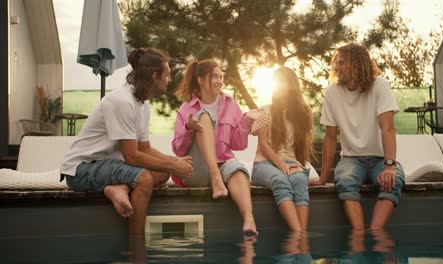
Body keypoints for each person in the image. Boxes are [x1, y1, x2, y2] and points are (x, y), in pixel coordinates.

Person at [60, 48, 193, 237]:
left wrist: (175, 163)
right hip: (81, 169)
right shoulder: (122, 101)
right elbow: (131, 156)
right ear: (155, 76)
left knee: (163, 173)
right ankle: (137, 250)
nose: (169, 80)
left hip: (108, 166)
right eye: (167, 74)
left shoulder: (142, 104)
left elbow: (144, 149)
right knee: (145, 178)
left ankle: (119, 187)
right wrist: (173, 164)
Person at [309, 43, 405, 230]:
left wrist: (390, 166)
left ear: (358, 64)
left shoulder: (380, 85)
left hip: (380, 159)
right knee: (344, 181)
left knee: (394, 181)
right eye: (335, 62)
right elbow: (330, 137)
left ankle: (375, 234)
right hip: (351, 159)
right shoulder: (332, 92)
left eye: (342, 62)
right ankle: (359, 235)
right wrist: (323, 176)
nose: (336, 67)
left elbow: (388, 128)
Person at [171, 59, 258, 235]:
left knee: (238, 169)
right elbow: (179, 151)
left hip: (223, 164)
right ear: (201, 80)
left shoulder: (229, 103)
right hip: (197, 169)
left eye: (221, 76)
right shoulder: (187, 108)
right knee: (204, 116)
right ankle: (216, 177)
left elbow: (237, 144)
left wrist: (247, 120)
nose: (220, 81)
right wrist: (188, 129)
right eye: (215, 77)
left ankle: (249, 220)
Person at [250, 66, 315, 233]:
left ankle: (301, 238)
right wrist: (282, 165)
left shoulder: (305, 113)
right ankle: (299, 236)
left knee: (300, 181)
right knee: (280, 181)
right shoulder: (266, 110)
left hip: (290, 163)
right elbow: (264, 146)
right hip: (264, 164)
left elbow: (302, 148)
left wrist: (298, 166)